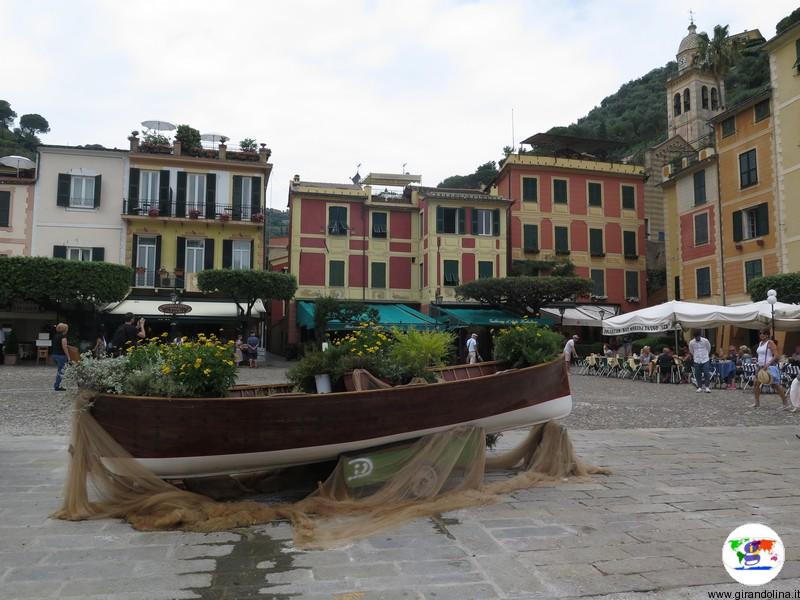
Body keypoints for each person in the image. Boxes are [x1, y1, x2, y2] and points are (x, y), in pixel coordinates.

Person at [753, 328, 790, 410]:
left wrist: (768, 363)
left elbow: (776, 355)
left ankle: (785, 403)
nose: (761, 335)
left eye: (763, 333)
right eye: (760, 333)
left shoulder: (770, 343)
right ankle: (757, 403)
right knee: (756, 384)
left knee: (775, 385)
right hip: (760, 366)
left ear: (767, 335)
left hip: (768, 367)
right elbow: (760, 354)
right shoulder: (760, 343)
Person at [52, 322, 69, 391]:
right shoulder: (63, 337)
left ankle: (57, 384)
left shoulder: (55, 336)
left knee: (60, 370)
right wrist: (68, 356)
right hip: (61, 355)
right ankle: (57, 385)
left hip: (54, 355)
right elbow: (65, 347)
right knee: (61, 371)